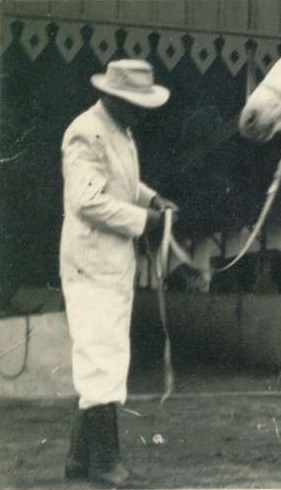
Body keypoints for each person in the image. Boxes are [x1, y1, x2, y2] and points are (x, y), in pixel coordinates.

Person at [60, 59, 177, 487]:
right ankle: (106, 463)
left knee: (104, 356)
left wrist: (153, 198)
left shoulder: (120, 131)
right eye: (134, 102)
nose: (140, 111)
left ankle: (79, 461)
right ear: (113, 95)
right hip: (90, 261)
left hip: (111, 261)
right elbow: (86, 200)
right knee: (101, 357)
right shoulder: (84, 132)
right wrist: (142, 220)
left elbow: (121, 183)